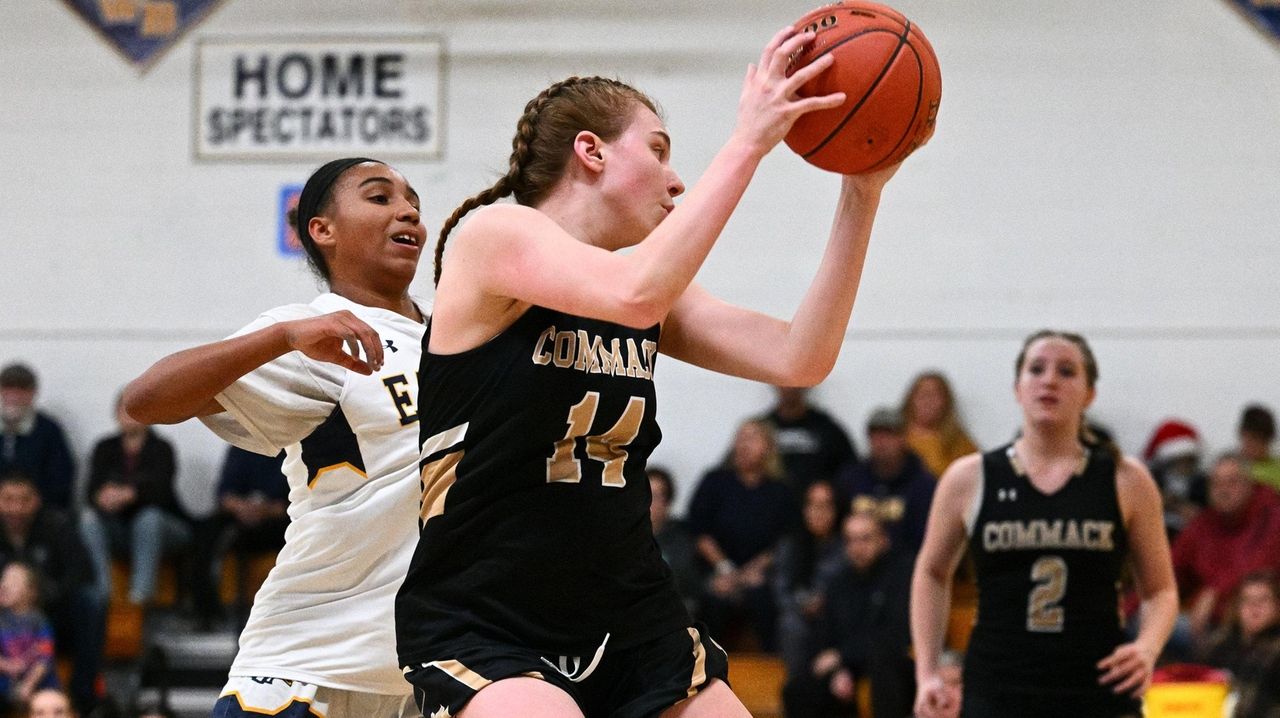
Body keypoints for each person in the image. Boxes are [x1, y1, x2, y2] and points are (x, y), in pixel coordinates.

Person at [396, 26, 905, 718]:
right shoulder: (495, 237)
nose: (676, 179)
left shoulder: (645, 292)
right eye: (660, 151)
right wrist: (748, 141)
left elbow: (800, 356)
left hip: (627, 609)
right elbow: (632, 293)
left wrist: (862, 192)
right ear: (591, 152)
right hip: (490, 610)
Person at [121, 157, 428, 718]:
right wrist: (280, 338)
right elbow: (144, 400)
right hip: (306, 660)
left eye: (413, 202)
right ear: (322, 229)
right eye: (380, 198)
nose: (407, 210)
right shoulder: (315, 330)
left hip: (424, 671)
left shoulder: (456, 339)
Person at [911, 330, 1178, 718]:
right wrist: (927, 672)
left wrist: (1148, 648)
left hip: (1098, 685)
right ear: (1017, 388)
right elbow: (931, 572)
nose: (1049, 379)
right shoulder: (971, 477)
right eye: (1036, 369)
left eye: (1066, 371)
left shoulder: (1125, 478)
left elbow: (1161, 589)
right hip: (999, 685)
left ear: (1089, 394)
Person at [782, 511, 914, 718]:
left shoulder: (902, 574)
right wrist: (840, 669)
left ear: (883, 540)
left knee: (887, 670)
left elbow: (897, 634)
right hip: (848, 663)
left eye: (865, 539)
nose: (857, 547)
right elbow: (826, 634)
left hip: (889, 662)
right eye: (850, 540)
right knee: (798, 688)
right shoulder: (838, 581)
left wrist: (843, 657)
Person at [688, 418, 798, 651]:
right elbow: (699, 531)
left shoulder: (780, 490)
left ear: (768, 446)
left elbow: (784, 540)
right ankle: (704, 668)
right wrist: (725, 568)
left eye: (752, 438)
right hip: (717, 568)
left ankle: (770, 669)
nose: (743, 444)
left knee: (763, 597)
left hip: (762, 572)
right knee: (714, 598)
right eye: (740, 438)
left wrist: (753, 570)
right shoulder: (715, 481)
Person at [0, 471, 102, 715]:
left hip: (52, 614)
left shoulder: (57, 525)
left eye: (23, 500)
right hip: (4, 622)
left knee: (90, 601)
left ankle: (83, 695)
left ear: (36, 500)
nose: (16, 508)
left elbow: (81, 573)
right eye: (8, 499)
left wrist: (36, 597)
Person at [79, 393, 190, 608]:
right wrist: (102, 498)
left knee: (149, 519)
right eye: (125, 409)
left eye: (136, 409)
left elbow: (162, 493)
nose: (130, 416)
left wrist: (131, 495)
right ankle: (103, 597)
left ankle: (140, 598)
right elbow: (90, 491)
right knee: (88, 520)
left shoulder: (161, 448)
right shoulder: (104, 447)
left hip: (163, 527)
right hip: (118, 526)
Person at [1171, 452, 1280, 641]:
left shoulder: (1271, 515)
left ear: (1250, 485)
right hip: (1208, 623)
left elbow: (1258, 567)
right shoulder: (1204, 522)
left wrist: (1215, 591)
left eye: (1232, 482)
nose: (1223, 490)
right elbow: (1171, 569)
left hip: (1259, 629)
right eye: (1216, 483)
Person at [191, 446, 289, 629]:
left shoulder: (292, 448)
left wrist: (265, 509)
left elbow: (297, 500)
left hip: (279, 521)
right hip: (241, 517)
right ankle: (206, 610)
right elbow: (224, 495)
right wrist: (242, 507)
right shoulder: (240, 447)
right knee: (205, 532)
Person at [833, 406, 935, 554]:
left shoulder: (924, 486)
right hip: (853, 566)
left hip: (905, 566)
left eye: (889, 435)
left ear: (903, 438)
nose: (881, 442)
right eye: (875, 435)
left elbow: (924, 539)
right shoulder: (850, 479)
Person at [772, 480, 846, 679]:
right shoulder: (790, 545)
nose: (818, 512)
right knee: (791, 625)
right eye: (812, 505)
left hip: (837, 617)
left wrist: (826, 602)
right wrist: (802, 604)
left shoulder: (848, 545)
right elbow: (780, 591)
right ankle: (798, 686)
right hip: (801, 615)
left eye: (825, 506)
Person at [1199, 571, 1280, 718]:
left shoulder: (1276, 651)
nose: (1255, 607)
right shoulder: (1219, 644)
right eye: (1247, 600)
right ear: (1236, 607)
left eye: (1263, 599)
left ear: (1277, 606)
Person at [0, 365, 75, 512]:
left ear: (33, 393)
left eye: (21, 390)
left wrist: (28, 501)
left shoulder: (49, 429)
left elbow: (62, 476)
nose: (14, 396)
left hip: (38, 509)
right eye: (9, 388)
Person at [765, 386, 857, 490]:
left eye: (795, 381)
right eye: (784, 382)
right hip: (772, 502)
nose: (789, 387)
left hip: (817, 503)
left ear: (806, 385)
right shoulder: (762, 429)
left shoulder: (827, 428)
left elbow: (850, 469)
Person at [0, 562, 59, 713]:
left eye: (14, 581)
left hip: (38, 679)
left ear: (31, 592)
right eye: (3, 580)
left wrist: (29, 684)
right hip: (6, 679)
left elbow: (45, 657)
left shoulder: (40, 622)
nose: (5, 585)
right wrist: (7, 665)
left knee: (51, 696)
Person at [901, 371, 977, 479]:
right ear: (911, 399)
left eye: (934, 396)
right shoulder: (895, 437)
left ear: (946, 402)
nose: (928, 402)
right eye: (922, 395)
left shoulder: (958, 442)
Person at [647, 467, 702, 615]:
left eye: (656, 496)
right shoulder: (620, 535)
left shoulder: (681, 537)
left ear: (667, 502)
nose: (648, 501)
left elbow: (686, 582)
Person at [1141, 418, 1207, 539]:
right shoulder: (1152, 478)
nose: (1185, 466)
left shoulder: (1202, 483)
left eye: (1189, 460)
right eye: (1182, 460)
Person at [1239, 404, 1280, 491]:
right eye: (1247, 438)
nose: (1251, 445)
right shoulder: (1233, 470)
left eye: (1256, 439)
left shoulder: (1277, 468)